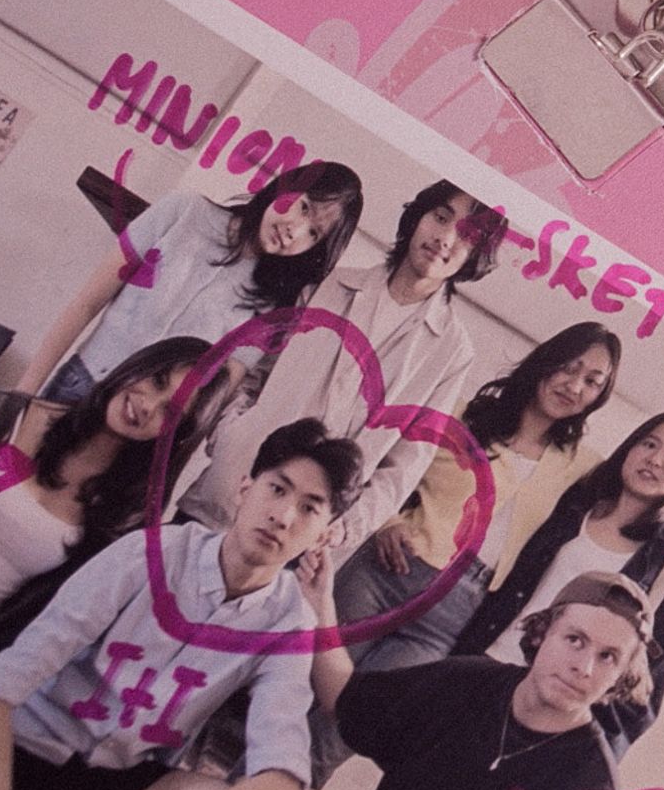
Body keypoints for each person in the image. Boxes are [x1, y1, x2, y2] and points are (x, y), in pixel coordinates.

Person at [0, 421, 361, 790]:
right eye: (277, 489)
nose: (282, 516)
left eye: (309, 508)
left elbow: (278, 785)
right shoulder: (150, 554)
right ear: (244, 488)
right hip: (15, 754)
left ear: (325, 533)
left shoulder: (289, 621)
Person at [184, 180, 491, 567]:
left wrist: (346, 525)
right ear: (417, 217)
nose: (446, 237)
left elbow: (407, 461)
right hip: (230, 489)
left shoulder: (452, 351)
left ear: (477, 253)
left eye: (466, 235)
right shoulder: (328, 282)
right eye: (440, 217)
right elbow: (254, 368)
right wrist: (232, 435)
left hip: (303, 535)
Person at [336, 324, 621, 676]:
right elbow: (376, 461)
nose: (575, 386)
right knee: (301, 686)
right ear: (546, 361)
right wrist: (388, 521)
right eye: (569, 367)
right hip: (388, 572)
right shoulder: (458, 414)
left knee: (362, 721)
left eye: (593, 381)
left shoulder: (579, 462)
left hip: (457, 608)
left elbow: (646, 489)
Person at [298, 575, 653, 790]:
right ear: (542, 632)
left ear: (620, 677)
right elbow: (346, 700)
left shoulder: (592, 788)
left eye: (608, 657)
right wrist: (321, 608)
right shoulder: (470, 682)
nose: (584, 667)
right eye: (575, 640)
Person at [449, 412, 664, 753]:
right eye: (649, 443)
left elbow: (645, 693)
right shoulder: (574, 502)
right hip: (484, 666)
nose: (656, 459)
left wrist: (583, 750)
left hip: (547, 711)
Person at [16, 163, 365, 403]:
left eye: (315, 233)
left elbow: (213, 397)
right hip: (81, 383)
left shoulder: (274, 305)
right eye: (303, 208)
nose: (296, 230)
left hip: (141, 432)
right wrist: (20, 395)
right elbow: (86, 304)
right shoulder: (183, 211)